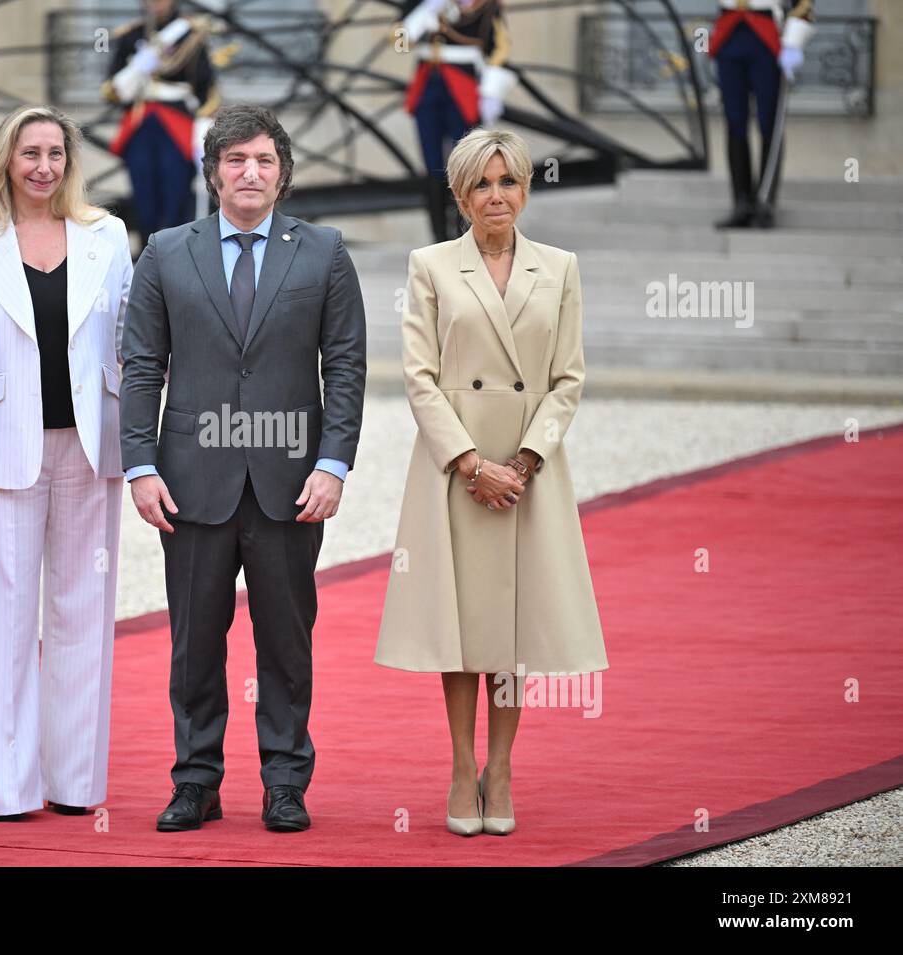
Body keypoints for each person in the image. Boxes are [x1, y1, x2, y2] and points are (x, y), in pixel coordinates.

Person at [120, 104, 367, 832]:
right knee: (194, 641)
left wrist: (334, 464)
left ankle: (285, 781)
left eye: (263, 160)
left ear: (283, 174)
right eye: (235, 160)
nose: (249, 172)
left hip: (291, 484)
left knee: (286, 642)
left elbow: (345, 365)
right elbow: (142, 368)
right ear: (213, 173)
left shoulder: (323, 252)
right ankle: (195, 780)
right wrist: (139, 464)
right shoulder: (166, 252)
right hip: (191, 483)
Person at [374, 128, 608, 837]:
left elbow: (569, 378)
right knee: (463, 623)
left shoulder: (561, 267)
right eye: (482, 184)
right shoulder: (431, 266)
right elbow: (417, 377)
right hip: (457, 470)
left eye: (508, 182)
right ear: (459, 194)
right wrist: (472, 464)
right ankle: (458, 764)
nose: (496, 196)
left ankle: (500, 769)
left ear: (526, 189)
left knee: (513, 627)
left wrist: (525, 461)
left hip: (530, 473)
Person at [0, 106, 133, 819]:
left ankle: (75, 784)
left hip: (93, 447)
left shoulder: (107, 235)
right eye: (30, 154)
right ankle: (8, 788)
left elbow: (130, 344)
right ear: (7, 160)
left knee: (84, 613)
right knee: (5, 621)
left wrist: (139, 443)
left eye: (56, 153)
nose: (44, 167)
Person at [396, 0, 518, 242]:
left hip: (464, 89)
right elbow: (400, 43)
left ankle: (463, 236)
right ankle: (438, 238)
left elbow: (499, 50)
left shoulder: (487, 6)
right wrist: (425, 12)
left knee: (466, 166)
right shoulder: (421, 3)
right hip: (427, 86)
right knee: (432, 167)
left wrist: (491, 92)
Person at [104, 0, 222, 238]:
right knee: (143, 194)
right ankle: (150, 251)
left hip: (177, 122)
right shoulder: (131, 35)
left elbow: (206, 88)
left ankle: (176, 252)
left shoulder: (191, 35)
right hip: (141, 123)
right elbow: (111, 89)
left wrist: (202, 124)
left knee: (176, 194)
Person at [710, 1, 815, 229]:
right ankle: (741, 202)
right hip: (729, 31)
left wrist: (794, 42)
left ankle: (765, 201)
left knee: (769, 123)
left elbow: (804, 3)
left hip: (766, 35)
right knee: (734, 121)